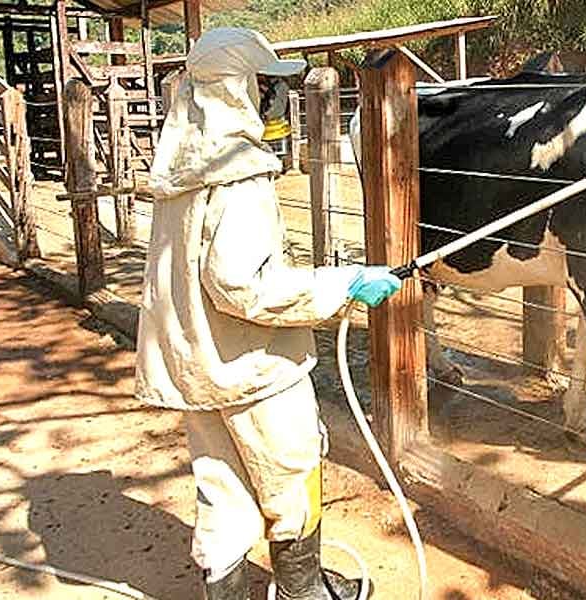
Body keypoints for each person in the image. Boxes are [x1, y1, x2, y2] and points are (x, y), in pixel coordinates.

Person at [134, 27, 400, 600]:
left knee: (222, 486)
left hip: (199, 361)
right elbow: (243, 285)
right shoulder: (239, 176)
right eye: (267, 85)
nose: (276, 100)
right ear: (239, 88)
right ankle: (302, 589)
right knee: (293, 471)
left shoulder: (182, 163)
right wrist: (345, 283)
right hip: (254, 366)